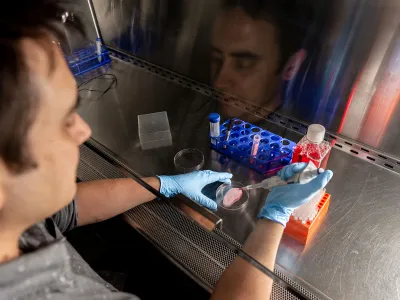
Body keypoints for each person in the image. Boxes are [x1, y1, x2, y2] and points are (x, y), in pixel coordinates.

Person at [0, 1, 333, 299]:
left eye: (244, 63)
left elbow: (63, 211)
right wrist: (274, 219)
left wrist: (164, 184)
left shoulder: (15, 220)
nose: (83, 130)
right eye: (62, 120)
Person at [210, 1, 289, 119]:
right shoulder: (193, 109)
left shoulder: (300, 137)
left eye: (243, 64)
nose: (218, 83)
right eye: (216, 59)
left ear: (290, 67)